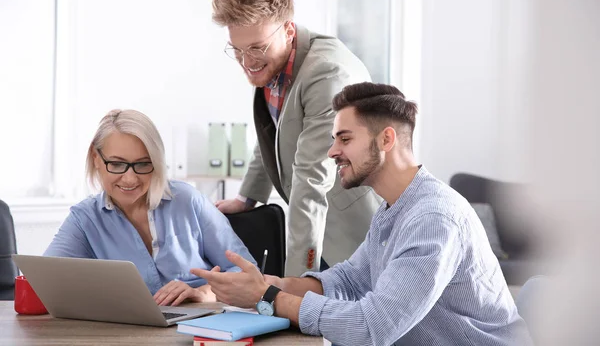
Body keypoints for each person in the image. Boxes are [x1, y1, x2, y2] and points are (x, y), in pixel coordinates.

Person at [192, 83, 533, 345]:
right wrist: (270, 283)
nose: (332, 151)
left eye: (344, 138)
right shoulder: (395, 207)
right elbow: (351, 281)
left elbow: (373, 328)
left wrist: (268, 299)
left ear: (386, 140)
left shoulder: (433, 219)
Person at [211, 0, 381, 276]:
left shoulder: (326, 74)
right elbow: (275, 136)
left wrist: (295, 282)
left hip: (355, 234)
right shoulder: (273, 62)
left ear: (288, 30)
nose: (247, 61)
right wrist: (247, 197)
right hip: (317, 229)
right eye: (237, 49)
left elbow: (311, 179)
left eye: (256, 48)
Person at [45, 109, 255, 306]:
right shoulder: (85, 219)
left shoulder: (187, 201)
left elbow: (249, 275)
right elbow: (43, 282)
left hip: (199, 328)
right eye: (117, 164)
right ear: (96, 159)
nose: (130, 179)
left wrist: (203, 292)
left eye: (143, 164)